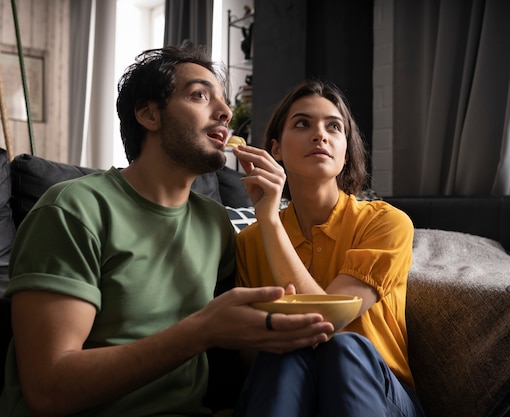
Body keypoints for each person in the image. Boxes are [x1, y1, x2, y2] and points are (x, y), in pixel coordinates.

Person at [0, 45, 333, 417]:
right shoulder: (74, 210)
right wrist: (200, 331)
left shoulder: (213, 222)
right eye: (199, 95)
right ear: (148, 114)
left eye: (223, 101)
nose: (224, 112)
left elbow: (231, 352)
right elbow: (48, 390)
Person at [232, 80, 425, 416]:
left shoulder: (386, 223)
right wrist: (268, 221)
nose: (319, 135)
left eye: (333, 127)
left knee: (343, 347)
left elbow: (324, 321)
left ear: (345, 152)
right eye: (302, 124)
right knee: (282, 354)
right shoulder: (250, 241)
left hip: (382, 393)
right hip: (291, 389)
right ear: (276, 149)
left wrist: (270, 222)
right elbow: (251, 355)